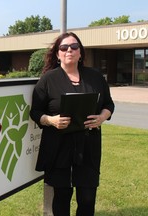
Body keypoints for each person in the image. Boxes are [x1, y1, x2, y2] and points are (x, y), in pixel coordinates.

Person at [30, 32, 115, 216]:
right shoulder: (48, 79)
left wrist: (102, 117)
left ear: (80, 52)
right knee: (61, 197)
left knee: (87, 198)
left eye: (74, 46)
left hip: (88, 147)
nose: (69, 50)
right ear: (57, 53)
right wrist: (51, 120)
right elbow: (35, 112)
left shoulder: (95, 77)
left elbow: (109, 104)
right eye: (64, 47)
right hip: (58, 148)